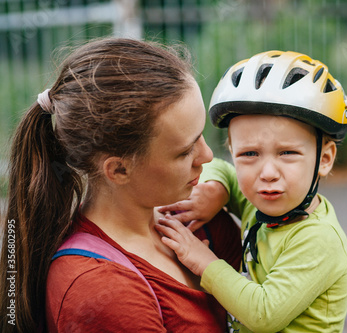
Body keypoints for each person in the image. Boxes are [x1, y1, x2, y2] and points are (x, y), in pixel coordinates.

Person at [0, 38, 241, 332]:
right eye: (184, 152)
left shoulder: (198, 221)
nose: (207, 155)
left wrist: (226, 186)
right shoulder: (99, 288)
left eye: (201, 135)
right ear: (119, 169)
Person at [156, 50, 347, 332]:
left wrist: (204, 262)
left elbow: (263, 314)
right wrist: (216, 189)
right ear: (232, 151)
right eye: (249, 153)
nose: (268, 172)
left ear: (324, 158)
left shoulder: (318, 239)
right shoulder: (260, 199)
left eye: (287, 152)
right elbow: (222, 170)